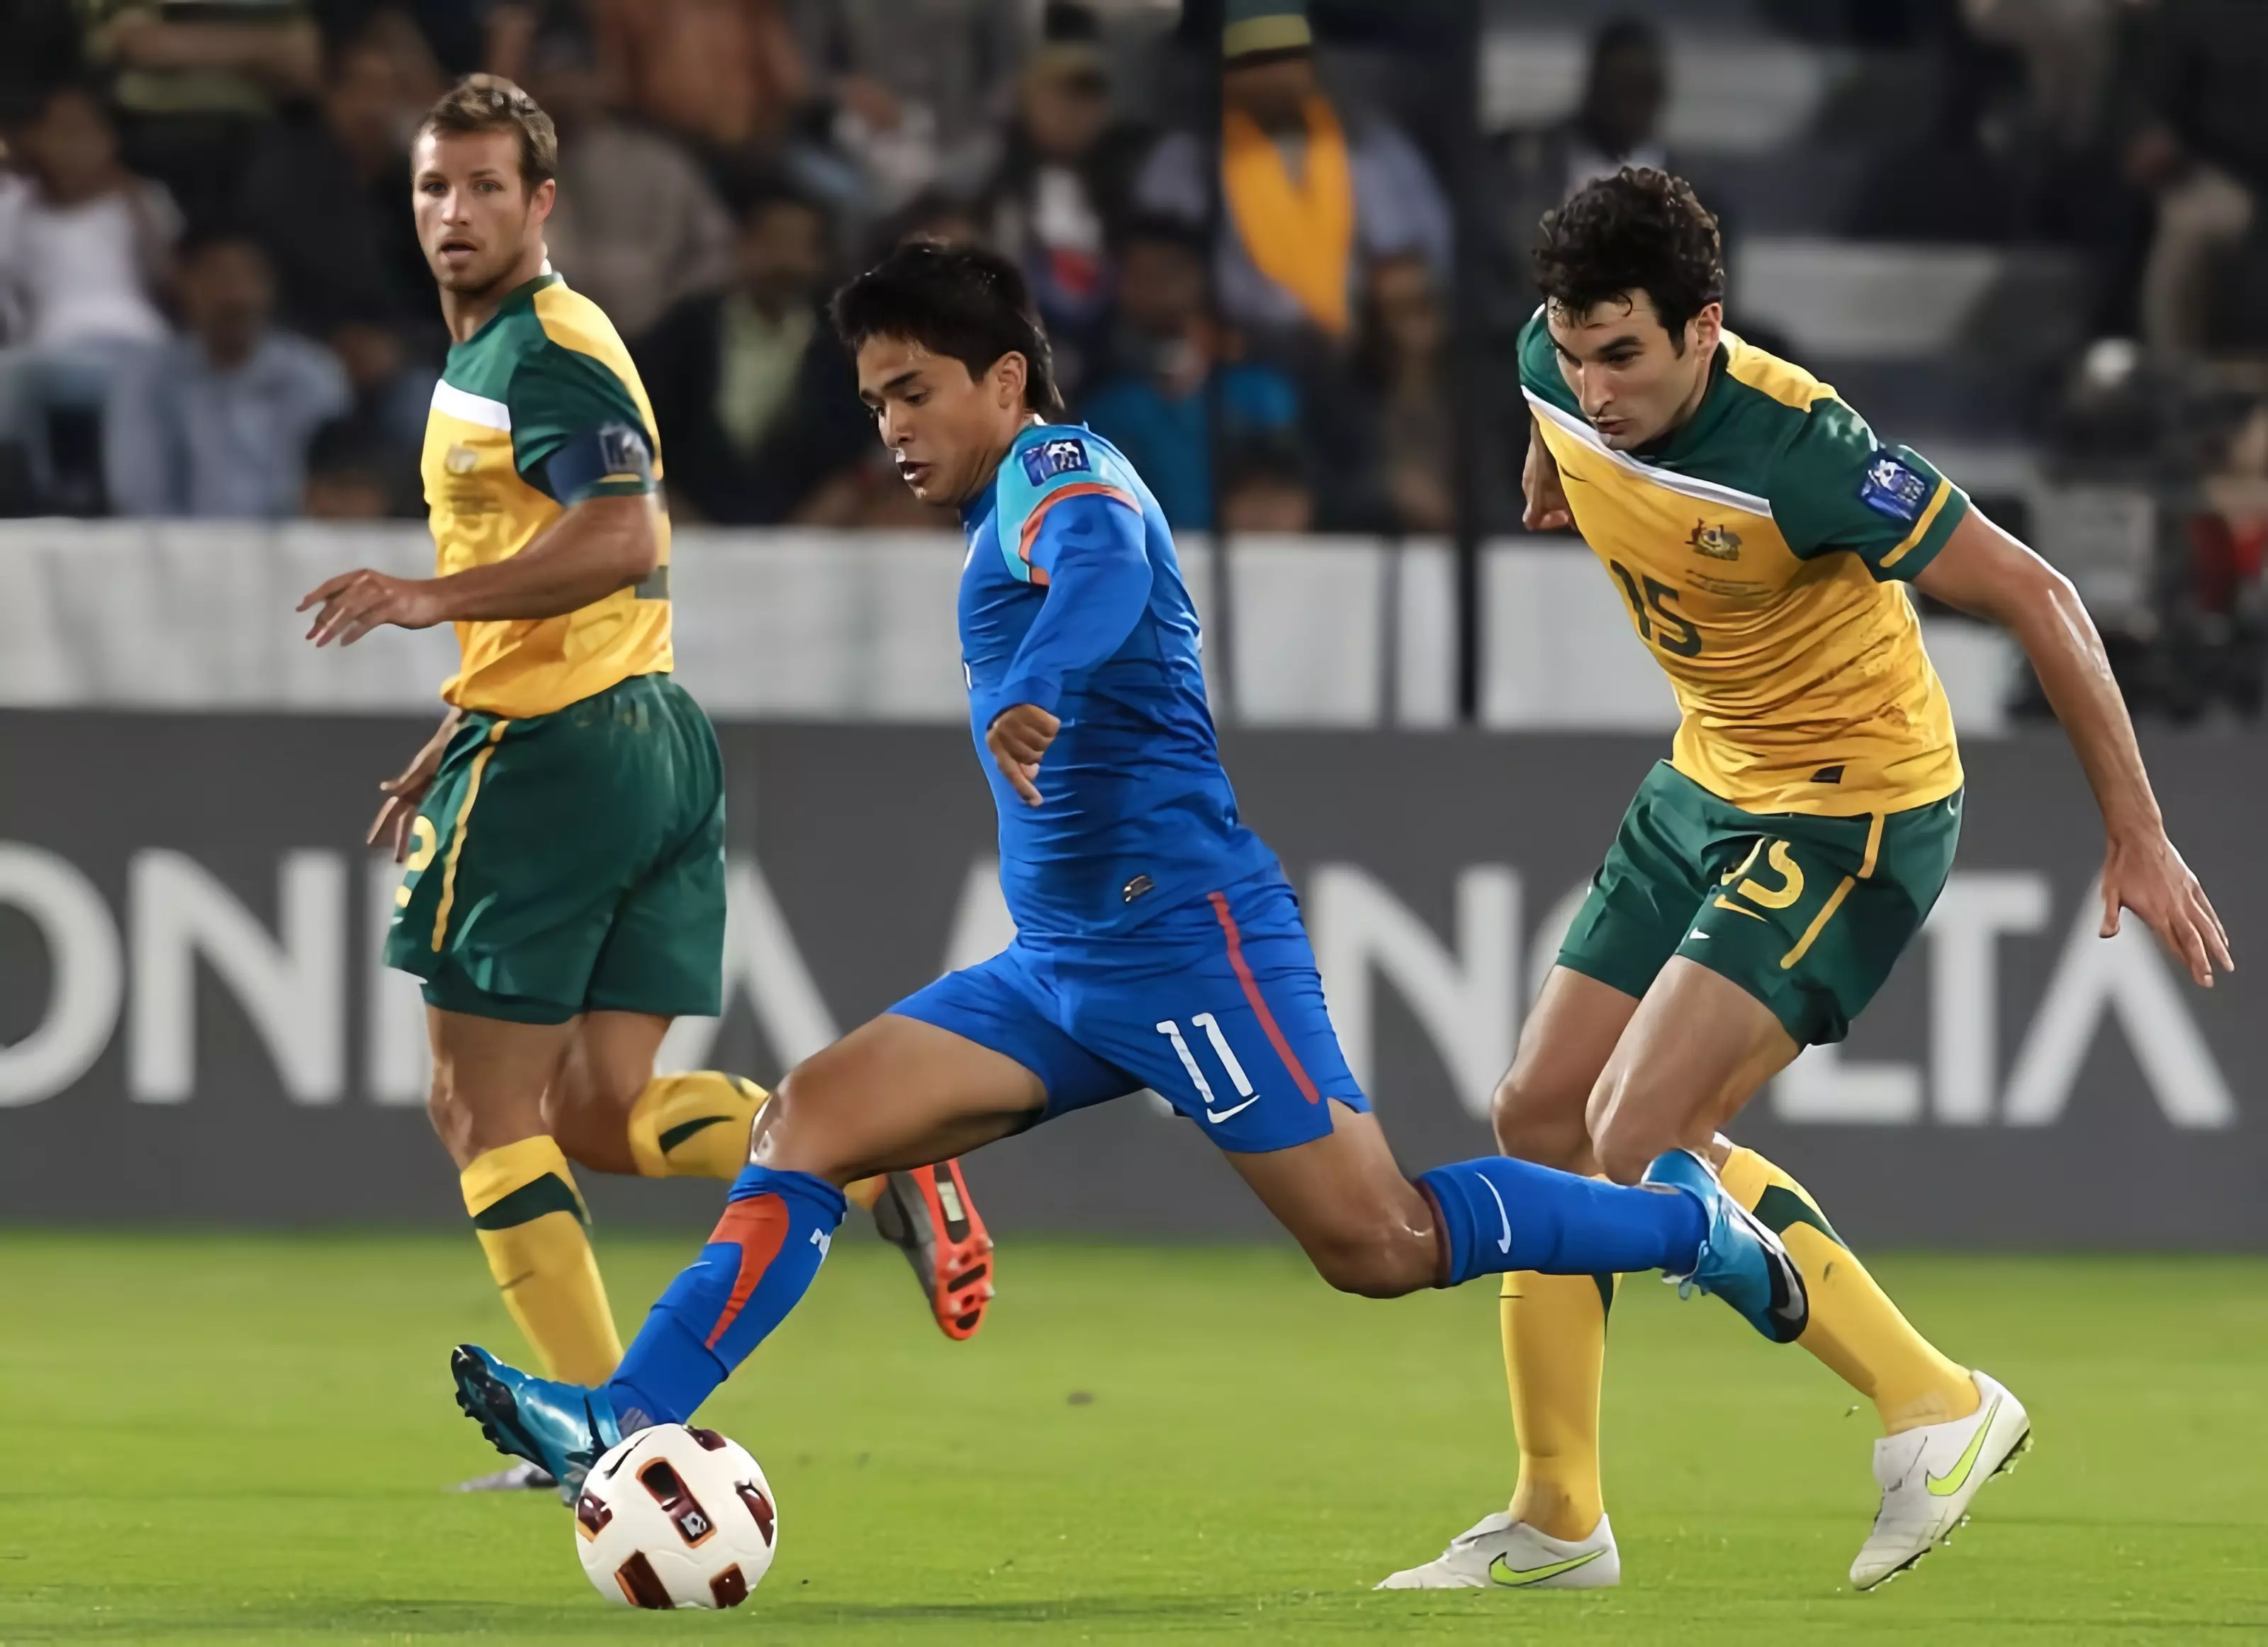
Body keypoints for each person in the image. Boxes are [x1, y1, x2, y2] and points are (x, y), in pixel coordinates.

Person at [444, 237, 1814, 1502]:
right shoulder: (1001, 506)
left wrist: (1038, 676)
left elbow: (1095, 565)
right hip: (1060, 964)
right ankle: (620, 1420)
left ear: (1004, 378)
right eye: (873, 405)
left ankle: (1687, 1228)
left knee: (1380, 1244)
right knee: (808, 1119)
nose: (894, 428)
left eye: (914, 392)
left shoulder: (1062, 471)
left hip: (1187, 939)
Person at [1379, 167, 2231, 1597]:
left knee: (1643, 1125)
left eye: (1625, 357)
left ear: (1703, 328)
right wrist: (1548, 459)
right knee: (1536, 1113)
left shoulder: (1803, 448)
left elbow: (2039, 593)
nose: (1593, 385)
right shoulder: (1551, 359)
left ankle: (1934, 1403)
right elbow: (1543, 398)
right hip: (1706, 777)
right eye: (1575, 352)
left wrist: (2134, 830)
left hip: (1855, 805)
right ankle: (1554, 1515)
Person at [294, 78, 994, 1496]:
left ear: (542, 203)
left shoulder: (539, 355)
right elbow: (590, 568)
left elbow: (624, 534)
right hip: (646, 730)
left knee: (478, 1109)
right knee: (606, 1114)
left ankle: (591, 1435)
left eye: (488, 188)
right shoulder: (510, 350)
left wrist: (433, 600)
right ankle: (876, 1160)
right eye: (436, 187)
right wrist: (457, 720)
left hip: (564, 753)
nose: (456, 213)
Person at [1133, 0, 1449, 351]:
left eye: (1287, 57)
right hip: (1241, 362)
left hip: (1360, 357)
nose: (1273, 77)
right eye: (1253, 62)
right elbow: (1153, 281)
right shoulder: (1184, 161)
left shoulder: (1373, 150)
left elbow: (1416, 263)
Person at [633, 181, 870, 524]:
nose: (783, 260)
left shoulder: (842, 347)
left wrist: (803, 537)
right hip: (688, 532)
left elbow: (857, 459)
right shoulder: (684, 332)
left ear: (819, 261)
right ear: (741, 247)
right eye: (772, 242)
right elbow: (635, 439)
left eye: (799, 247)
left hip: (812, 540)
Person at [0, 83, 179, 514]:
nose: (72, 148)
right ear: (37, 140)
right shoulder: (15, 206)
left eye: (84, 134)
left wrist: (131, 199)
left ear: (108, 142)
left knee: (138, 388)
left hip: (137, 342)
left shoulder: (142, 199)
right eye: (59, 133)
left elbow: (169, 284)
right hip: (48, 350)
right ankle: (27, 501)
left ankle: (133, 506)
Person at [104, 230, 349, 519]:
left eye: (249, 278)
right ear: (184, 284)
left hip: (297, 551)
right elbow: (138, 497)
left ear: (271, 286)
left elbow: (337, 490)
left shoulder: (313, 376)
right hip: (180, 553)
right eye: (218, 278)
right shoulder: (146, 379)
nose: (237, 295)